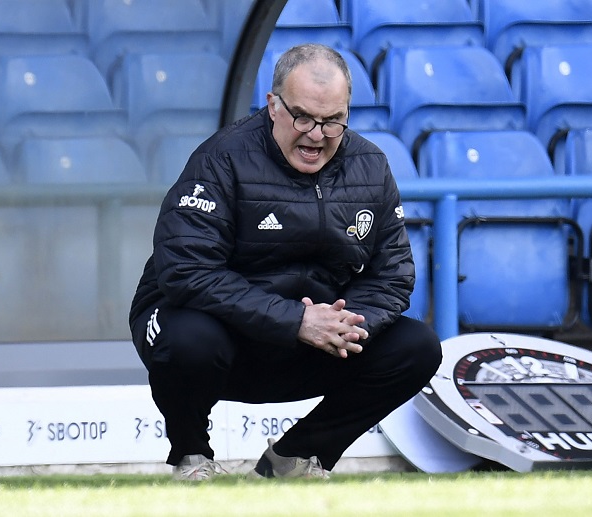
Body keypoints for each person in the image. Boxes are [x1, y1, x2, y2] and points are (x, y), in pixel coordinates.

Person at [129, 43, 442, 480]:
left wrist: (344, 323)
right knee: (190, 338)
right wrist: (295, 320)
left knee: (417, 347)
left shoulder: (370, 165)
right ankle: (192, 457)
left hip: (309, 341)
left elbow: (393, 275)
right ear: (273, 105)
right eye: (303, 117)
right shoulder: (220, 158)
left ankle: (294, 458)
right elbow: (187, 271)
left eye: (333, 121)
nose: (316, 134)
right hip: (221, 338)